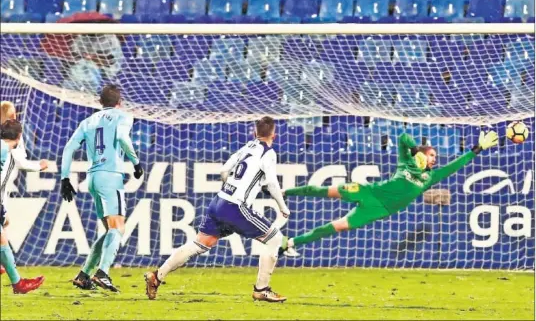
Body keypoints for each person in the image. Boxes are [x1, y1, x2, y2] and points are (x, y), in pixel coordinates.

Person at [144, 116, 290, 303]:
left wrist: (232, 187)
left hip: (219, 201)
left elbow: (224, 170)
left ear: (255, 132)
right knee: (275, 239)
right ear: (274, 135)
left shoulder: (247, 147)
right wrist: (283, 207)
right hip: (236, 207)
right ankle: (261, 289)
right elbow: (271, 182)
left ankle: (157, 276)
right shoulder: (268, 153)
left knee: (199, 244)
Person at [279, 131, 499, 254]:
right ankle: (285, 191)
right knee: (325, 191)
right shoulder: (406, 162)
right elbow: (403, 137)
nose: (434, 159)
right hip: (368, 192)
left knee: (337, 227)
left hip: (379, 209)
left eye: (435, 157)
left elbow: (455, 165)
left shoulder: (430, 177)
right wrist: (414, 150)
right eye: (431, 155)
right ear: (422, 155)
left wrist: (476, 149)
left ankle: (289, 243)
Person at [60, 85, 144, 292]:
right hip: (111, 176)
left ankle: (84, 275)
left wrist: (64, 178)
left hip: (93, 178)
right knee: (118, 228)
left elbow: (69, 148)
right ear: (120, 101)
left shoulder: (87, 121)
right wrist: (135, 162)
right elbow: (123, 139)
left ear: (100, 102)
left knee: (109, 229)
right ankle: (103, 273)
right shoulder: (123, 116)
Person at [0, 101, 48, 276]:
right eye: (13, 114)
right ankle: (16, 281)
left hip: (3, 188)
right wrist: (40, 165)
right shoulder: (10, 142)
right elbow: (22, 162)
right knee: (4, 224)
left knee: (5, 222)